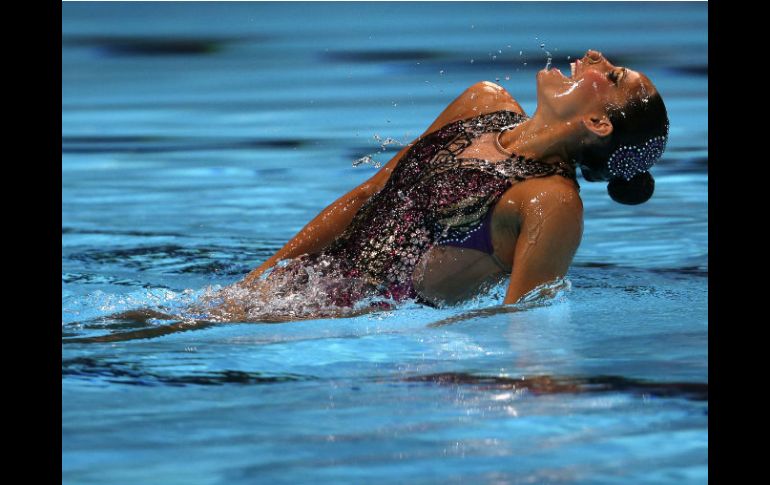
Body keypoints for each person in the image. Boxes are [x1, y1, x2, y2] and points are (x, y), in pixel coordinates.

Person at [197, 49, 669, 323]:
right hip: (297, 289)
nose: (593, 57)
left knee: (148, 331)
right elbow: (365, 196)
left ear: (596, 122)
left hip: (345, 327)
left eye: (610, 76)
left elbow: (523, 322)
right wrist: (257, 281)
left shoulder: (551, 200)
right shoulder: (481, 103)